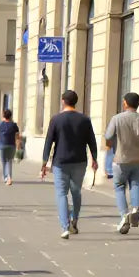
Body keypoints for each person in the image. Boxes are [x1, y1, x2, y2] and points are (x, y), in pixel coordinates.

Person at [41, 90, 98, 239]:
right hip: (80, 161)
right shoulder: (85, 120)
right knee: (76, 192)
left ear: (63, 101)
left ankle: (65, 227)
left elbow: (48, 141)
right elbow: (92, 141)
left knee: (61, 193)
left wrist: (44, 162)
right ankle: (74, 219)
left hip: (60, 162)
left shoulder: (56, 119)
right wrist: (95, 159)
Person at [104, 92, 139, 235]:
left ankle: (124, 215)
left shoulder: (117, 119)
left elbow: (108, 136)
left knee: (119, 187)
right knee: (135, 184)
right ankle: (136, 209)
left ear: (125, 103)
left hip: (121, 159)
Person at [0, 109, 21, 186]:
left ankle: (6, 178)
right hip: (11, 146)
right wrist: (18, 146)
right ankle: (9, 177)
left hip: (2, 146)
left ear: (3, 115)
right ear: (11, 116)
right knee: (9, 161)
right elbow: (17, 137)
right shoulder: (14, 125)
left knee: (4, 162)